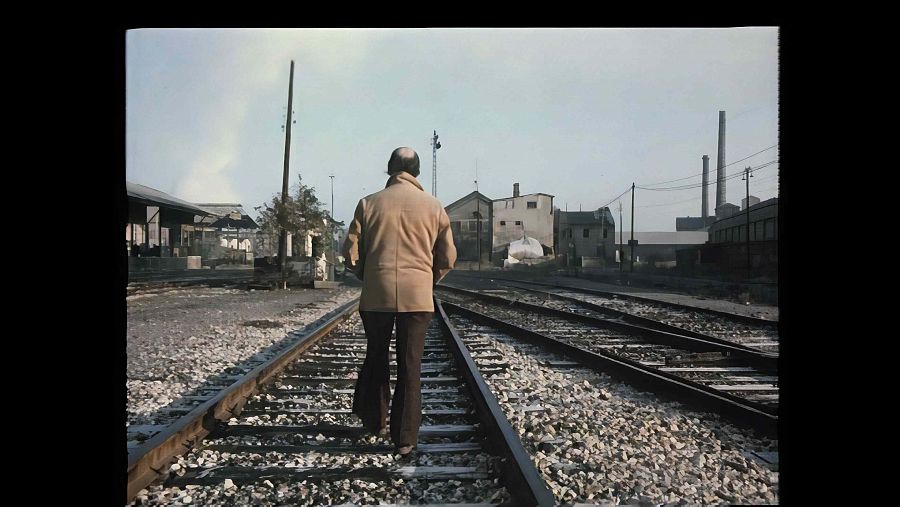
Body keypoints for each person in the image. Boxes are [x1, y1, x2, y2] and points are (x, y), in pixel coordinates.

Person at [342, 147, 456, 457]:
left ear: (390, 169)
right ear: (416, 171)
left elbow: (351, 252)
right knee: (411, 364)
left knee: (376, 355)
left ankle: (375, 422)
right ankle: (405, 438)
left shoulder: (368, 204)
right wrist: (426, 280)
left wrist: (369, 275)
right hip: (418, 297)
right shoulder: (434, 207)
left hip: (377, 293)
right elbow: (447, 257)